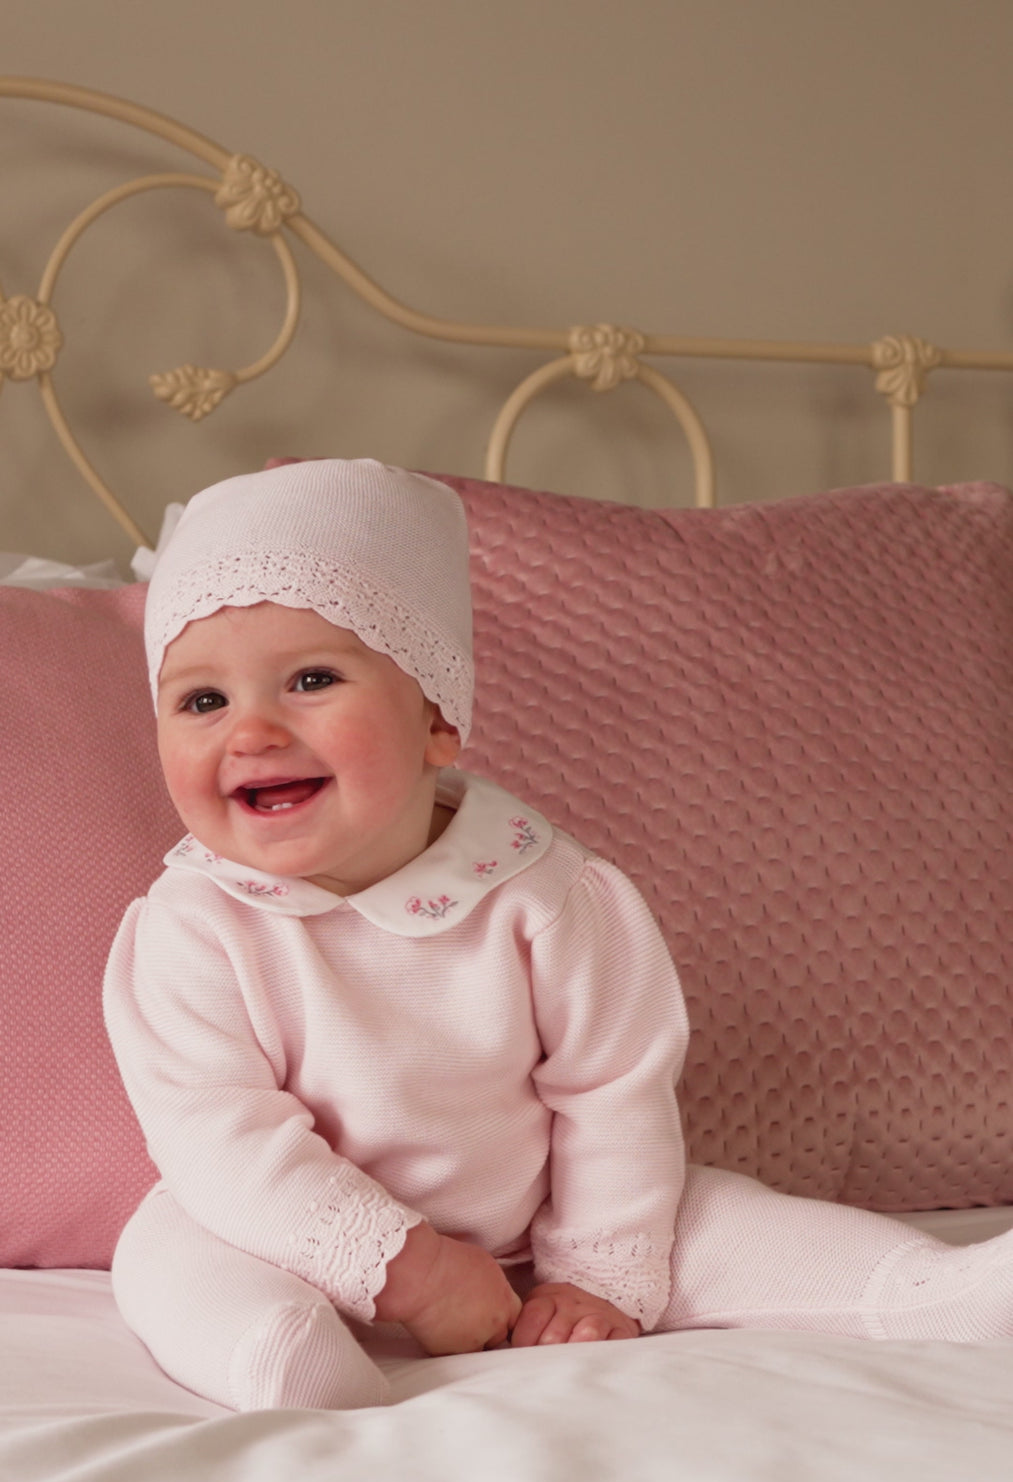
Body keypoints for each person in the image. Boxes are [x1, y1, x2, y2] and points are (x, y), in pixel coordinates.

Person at [104, 459, 1013, 1413]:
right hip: (284, 1230)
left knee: (710, 1215)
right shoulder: (193, 925)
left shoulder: (543, 892)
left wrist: (594, 1274)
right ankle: (280, 1360)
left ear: (436, 719)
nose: (250, 731)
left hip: (542, 1224)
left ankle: (935, 1293)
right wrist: (409, 1272)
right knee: (171, 1253)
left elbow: (613, 1091)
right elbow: (224, 1136)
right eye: (202, 701)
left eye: (311, 680)